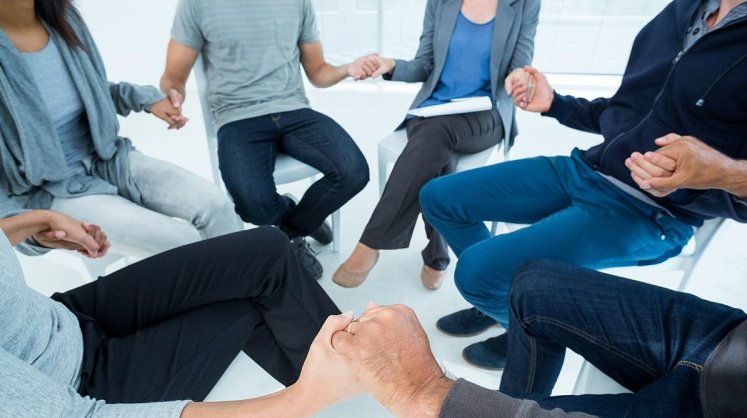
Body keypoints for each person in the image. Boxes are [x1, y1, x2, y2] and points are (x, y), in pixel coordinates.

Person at [419, 0, 747, 369]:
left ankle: (526, 332)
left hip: (650, 213)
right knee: (439, 197)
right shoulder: (685, 10)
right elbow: (630, 110)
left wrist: (720, 172)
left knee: (475, 274)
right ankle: (507, 296)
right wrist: (556, 104)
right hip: (590, 169)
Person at [0, 209, 348, 417]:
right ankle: (357, 373)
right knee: (249, 308)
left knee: (267, 250)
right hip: (79, 389)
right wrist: (301, 400)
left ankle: (354, 365)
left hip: (61, 317)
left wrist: (38, 222)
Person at [329, 260, 747, 418]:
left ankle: (508, 403)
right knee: (533, 285)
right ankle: (516, 397)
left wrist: (425, 392)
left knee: (457, 407)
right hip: (729, 340)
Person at [0, 0, 242, 260]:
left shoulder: (63, 19)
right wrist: (28, 229)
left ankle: (254, 280)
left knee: (218, 206)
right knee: (182, 241)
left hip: (108, 158)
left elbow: (91, 91)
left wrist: (146, 100)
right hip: (48, 190)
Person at [332, 0, 541, 290]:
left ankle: (371, 244)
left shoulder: (524, 4)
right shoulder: (441, 2)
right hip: (433, 109)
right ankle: (437, 255)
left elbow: (519, 66)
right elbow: (424, 64)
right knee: (438, 149)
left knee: (435, 135)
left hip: (486, 112)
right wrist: (390, 65)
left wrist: (519, 79)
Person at [161, 0, 372, 280]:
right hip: (237, 116)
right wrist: (172, 96)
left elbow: (318, 71)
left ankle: (293, 230)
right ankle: (301, 217)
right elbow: (173, 76)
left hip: (293, 109)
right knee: (253, 208)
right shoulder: (197, 5)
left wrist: (347, 69)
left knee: (354, 172)